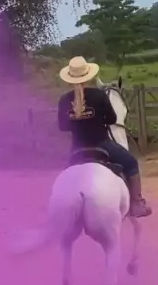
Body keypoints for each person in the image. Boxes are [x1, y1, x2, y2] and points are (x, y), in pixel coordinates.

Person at [57, 56, 152, 218]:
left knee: (64, 176)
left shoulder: (64, 100)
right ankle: (136, 203)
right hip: (102, 144)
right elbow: (112, 119)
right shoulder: (99, 95)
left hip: (77, 149)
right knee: (131, 163)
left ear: (70, 78)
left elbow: (62, 127)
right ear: (88, 75)